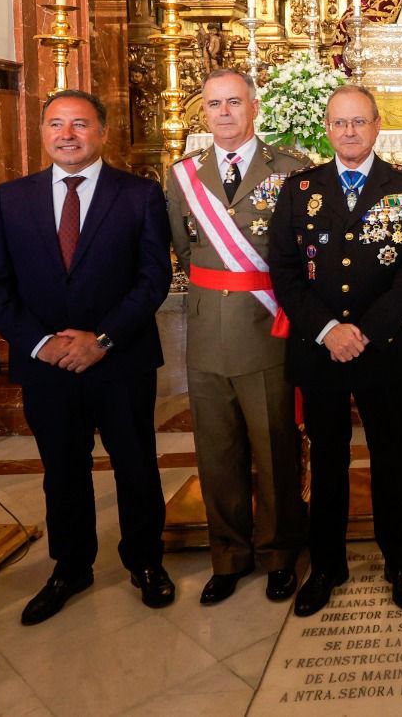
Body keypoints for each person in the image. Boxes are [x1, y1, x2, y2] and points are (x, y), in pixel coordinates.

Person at [0, 90, 175, 625]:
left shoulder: (139, 193)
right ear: (42, 132)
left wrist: (102, 339)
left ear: (103, 132)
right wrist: (41, 343)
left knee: (136, 464)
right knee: (62, 470)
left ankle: (145, 560)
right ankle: (70, 566)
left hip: (122, 360)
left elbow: (153, 277)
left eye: (80, 124)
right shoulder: (9, 199)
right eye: (56, 124)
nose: (67, 134)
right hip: (46, 364)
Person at [267, 85, 402, 616]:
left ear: (377, 125)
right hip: (319, 349)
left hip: (383, 348)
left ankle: (399, 562)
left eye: (358, 122)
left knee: (391, 455)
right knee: (328, 457)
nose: (349, 131)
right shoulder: (299, 188)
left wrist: (363, 332)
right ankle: (326, 565)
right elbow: (284, 270)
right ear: (327, 127)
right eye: (339, 122)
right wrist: (327, 331)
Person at [165, 70, 309, 606]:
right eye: (213, 104)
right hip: (207, 331)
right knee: (216, 449)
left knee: (274, 446)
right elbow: (185, 251)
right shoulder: (182, 175)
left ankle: (278, 554)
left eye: (233, 102)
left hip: (267, 327)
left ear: (254, 107)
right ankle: (227, 555)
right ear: (203, 111)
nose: (223, 113)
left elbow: (300, 251)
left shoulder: (290, 169)